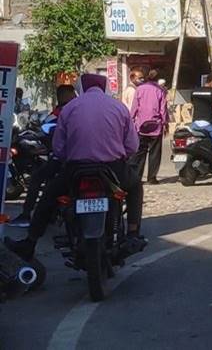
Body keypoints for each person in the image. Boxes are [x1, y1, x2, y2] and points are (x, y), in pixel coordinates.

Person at [6, 74, 145, 260]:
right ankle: (133, 234)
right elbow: (132, 146)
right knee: (135, 187)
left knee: (48, 196)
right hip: (112, 167)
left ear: (80, 88)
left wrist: (68, 158)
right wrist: (119, 155)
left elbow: (59, 147)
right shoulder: (118, 107)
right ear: (105, 88)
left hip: (76, 167)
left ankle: (30, 243)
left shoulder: (70, 108)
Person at [8, 84, 77, 228]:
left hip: (67, 160)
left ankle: (29, 219)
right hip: (94, 160)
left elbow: (55, 135)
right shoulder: (79, 109)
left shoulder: (65, 111)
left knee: (38, 179)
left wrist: (56, 153)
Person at [130, 69, 169, 184]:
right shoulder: (160, 90)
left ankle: (137, 177)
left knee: (140, 153)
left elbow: (134, 108)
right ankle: (151, 178)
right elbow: (163, 110)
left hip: (141, 126)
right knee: (155, 153)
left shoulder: (139, 89)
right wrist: (165, 123)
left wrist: (131, 121)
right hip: (156, 126)